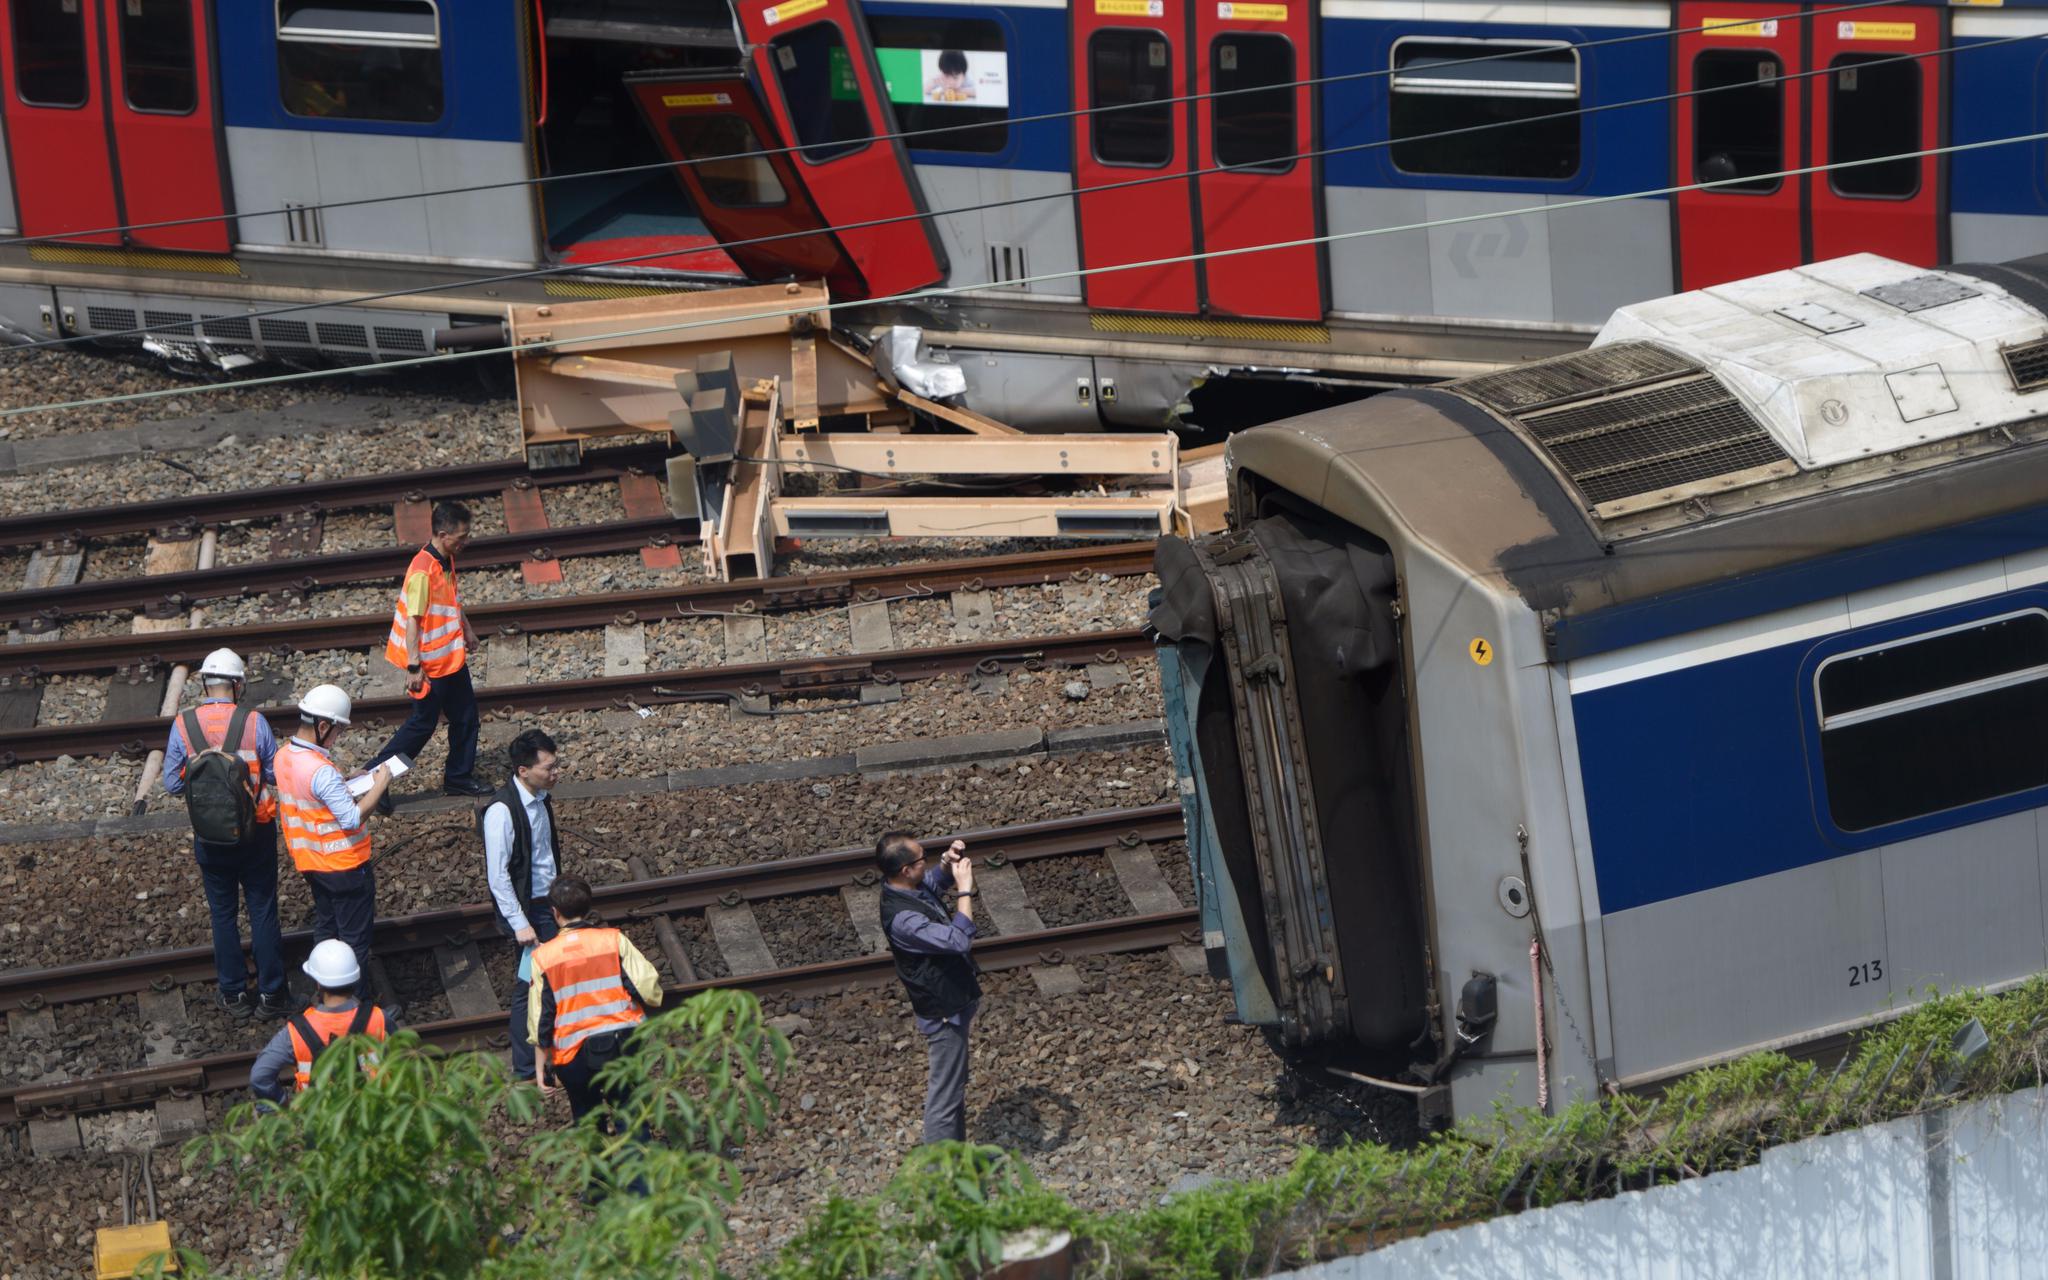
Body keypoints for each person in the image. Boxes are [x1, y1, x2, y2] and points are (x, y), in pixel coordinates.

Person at [162, 648, 290, 1021]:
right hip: (256, 833)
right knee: (262, 910)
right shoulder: (254, 721)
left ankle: (233, 993)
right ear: (237, 685)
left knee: (223, 915)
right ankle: (271, 993)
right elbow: (272, 775)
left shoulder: (183, 724)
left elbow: (172, 783)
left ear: (205, 683)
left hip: (210, 837)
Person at [276, 684, 392, 1003]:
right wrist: (379, 785)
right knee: (355, 943)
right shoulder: (320, 770)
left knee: (326, 931)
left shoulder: (284, 756)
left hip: (311, 863)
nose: (338, 737)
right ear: (323, 726)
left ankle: (323, 995)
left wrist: (345, 782)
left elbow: (310, 798)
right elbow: (352, 819)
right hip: (345, 867)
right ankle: (358, 1008)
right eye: (338, 730)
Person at [375, 500, 489, 798]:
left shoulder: (444, 558)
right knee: (421, 726)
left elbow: (451, 599)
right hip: (429, 665)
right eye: (461, 536)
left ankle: (458, 778)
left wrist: (467, 629)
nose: (466, 541)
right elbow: (414, 621)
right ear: (442, 533)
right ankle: (376, 779)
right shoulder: (423, 572)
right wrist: (414, 667)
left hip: (450, 660)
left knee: (466, 718)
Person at [528, 876, 663, 1124]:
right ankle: (638, 1157)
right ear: (588, 908)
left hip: (572, 1055)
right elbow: (649, 989)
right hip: (621, 1044)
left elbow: (540, 1021)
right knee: (629, 1108)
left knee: (586, 1115)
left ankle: (597, 1155)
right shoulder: (613, 940)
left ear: (555, 913)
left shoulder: (542, 957)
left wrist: (540, 1069)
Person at [876, 830, 981, 1144]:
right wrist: (965, 891)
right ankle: (939, 1177)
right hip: (943, 1011)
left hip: (952, 1002)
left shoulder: (907, 888)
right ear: (906, 870)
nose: (928, 863)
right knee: (944, 1098)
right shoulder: (904, 919)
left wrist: (948, 864)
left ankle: (957, 1162)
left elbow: (933, 884)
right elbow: (958, 940)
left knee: (954, 1086)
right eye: (923, 860)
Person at [481, 728, 564, 1083]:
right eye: (548, 768)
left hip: (549, 903)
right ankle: (528, 1067)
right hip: (531, 910)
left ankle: (548, 1059)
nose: (555, 773)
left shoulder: (540, 797)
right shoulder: (501, 811)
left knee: (548, 982)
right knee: (529, 986)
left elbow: (543, 855)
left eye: (555, 765)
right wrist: (520, 923)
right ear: (523, 771)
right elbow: (498, 875)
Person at [249, 939, 392, 1104]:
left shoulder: (296, 1031)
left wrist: (280, 1105)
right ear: (354, 978)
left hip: (319, 1119)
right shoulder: (379, 1018)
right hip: (372, 1114)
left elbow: (259, 1075)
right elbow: (401, 1057)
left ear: (318, 983)